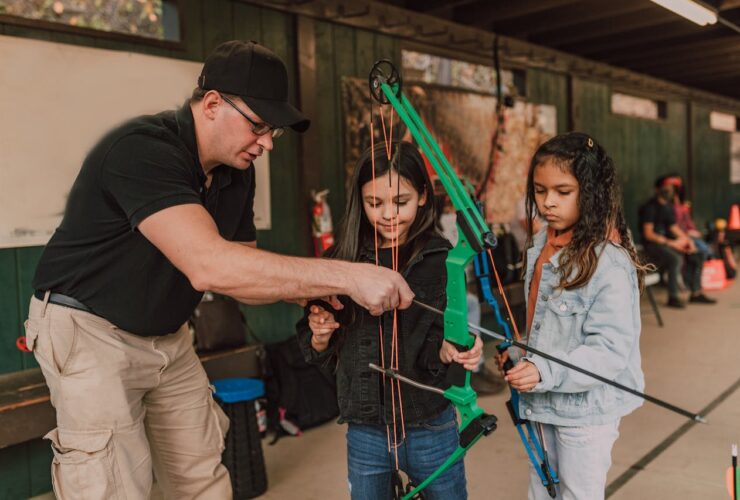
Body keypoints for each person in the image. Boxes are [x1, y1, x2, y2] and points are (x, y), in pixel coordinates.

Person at [25, 40, 413, 499]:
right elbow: (210, 266)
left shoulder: (236, 171)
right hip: (89, 333)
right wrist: (351, 276)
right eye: (260, 126)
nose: (267, 142)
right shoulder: (141, 151)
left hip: (168, 337)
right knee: (113, 486)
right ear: (212, 104)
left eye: (275, 132)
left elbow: (243, 275)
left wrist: (308, 292)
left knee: (203, 475)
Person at [297, 141, 482, 500]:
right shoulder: (342, 259)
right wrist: (320, 334)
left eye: (401, 202)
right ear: (359, 200)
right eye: (374, 203)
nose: (388, 215)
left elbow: (439, 345)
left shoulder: (442, 258)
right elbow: (315, 346)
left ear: (424, 196)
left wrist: (451, 349)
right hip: (366, 428)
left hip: (430, 423)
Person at [499, 133, 647, 500]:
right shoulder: (539, 246)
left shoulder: (609, 264)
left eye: (563, 192)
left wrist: (543, 370)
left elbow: (609, 350)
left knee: (578, 495)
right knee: (542, 492)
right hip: (541, 400)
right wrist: (521, 355)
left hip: (585, 412)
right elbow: (544, 327)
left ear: (592, 192)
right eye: (539, 190)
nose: (548, 202)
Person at [639, 175, 715, 308]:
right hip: (652, 245)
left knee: (697, 253)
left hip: (668, 242)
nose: (669, 190)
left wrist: (687, 240)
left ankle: (696, 293)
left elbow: (673, 228)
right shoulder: (650, 207)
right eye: (666, 187)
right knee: (676, 259)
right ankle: (673, 297)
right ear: (658, 189)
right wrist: (672, 243)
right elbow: (648, 234)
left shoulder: (668, 207)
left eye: (671, 187)